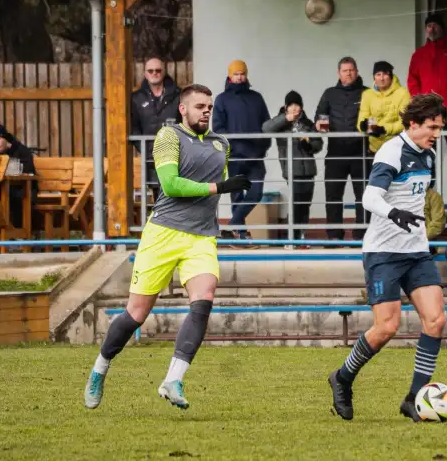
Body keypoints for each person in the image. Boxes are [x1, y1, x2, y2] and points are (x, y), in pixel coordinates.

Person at [84, 84, 252, 410]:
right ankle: (99, 369)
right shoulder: (168, 137)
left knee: (203, 301)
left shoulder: (222, 144)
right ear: (183, 110)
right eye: (200, 106)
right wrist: (220, 185)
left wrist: (230, 193)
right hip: (163, 233)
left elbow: (217, 185)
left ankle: (173, 380)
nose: (206, 110)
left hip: (201, 236)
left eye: (209, 106)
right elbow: (172, 185)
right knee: (136, 314)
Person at [328, 93, 447, 423]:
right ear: (413, 124)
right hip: (383, 252)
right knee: (387, 327)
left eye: (439, 128)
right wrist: (394, 214)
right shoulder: (392, 151)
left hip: (416, 252)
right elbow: (369, 197)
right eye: (432, 127)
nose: (436, 134)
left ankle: (414, 398)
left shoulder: (429, 154)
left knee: (436, 321)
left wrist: (421, 237)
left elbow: (416, 200)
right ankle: (343, 377)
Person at [212, 60, 270, 239]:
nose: (239, 77)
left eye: (242, 73)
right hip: (235, 156)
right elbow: (218, 127)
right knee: (236, 197)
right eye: (236, 74)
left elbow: (266, 125)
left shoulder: (256, 98)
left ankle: (232, 226)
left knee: (256, 193)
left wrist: (263, 146)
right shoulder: (222, 99)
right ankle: (241, 234)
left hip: (255, 156)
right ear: (230, 76)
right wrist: (231, 146)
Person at [315, 57, 369, 241]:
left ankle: (361, 235)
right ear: (339, 73)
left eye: (352, 70)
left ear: (357, 71)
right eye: (345, 70)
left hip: (361, 152)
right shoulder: (329, 94)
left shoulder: (367, 93)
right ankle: (334, 236)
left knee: (363, 195)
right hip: (336, 151)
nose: (349, 73)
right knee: (333, 194)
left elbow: (374, 117)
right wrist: (321, 124)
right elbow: (320, 115)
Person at [261, 91, 323, 242]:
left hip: (309, 170)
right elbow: (266, 128)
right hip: (291, 169)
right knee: (295, 204)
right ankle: (291, 237)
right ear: (286, 107)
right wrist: (285, 119)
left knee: (305, 204)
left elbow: (318, 144)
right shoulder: (281, 123)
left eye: (298, 105)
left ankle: (301, 236)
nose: (295, 109)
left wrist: (307, 143)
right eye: (292, 106)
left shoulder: (307, 123)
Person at [131, 58, 181, 200]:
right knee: (159, 198)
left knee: (176, 199)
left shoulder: (179, 95)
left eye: (158, 70)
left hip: (175, 157)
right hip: (151, 158)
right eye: (150, 71)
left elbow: (186, 124)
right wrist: (145, 149)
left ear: (164, 72)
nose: (155, 73)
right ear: (145, 74)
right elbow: (134, 128)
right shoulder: (136, 99)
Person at [0, 124, 38, 230]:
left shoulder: (22, 151)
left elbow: (28, 173)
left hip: (24, 190)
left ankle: (13, 234)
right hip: (2, 190)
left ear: (5, 138)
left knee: (9, 198)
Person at [357, 61, 411, 156]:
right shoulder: (367, 94)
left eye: (385, 74)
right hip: (374, 149)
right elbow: (362, 118)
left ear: (390, 76)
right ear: (374, 77)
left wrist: (384, 129)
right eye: (378, 74)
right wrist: (363, 126)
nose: (381, 78)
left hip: (398, 148)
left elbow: (405, 121)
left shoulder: (403, 93)